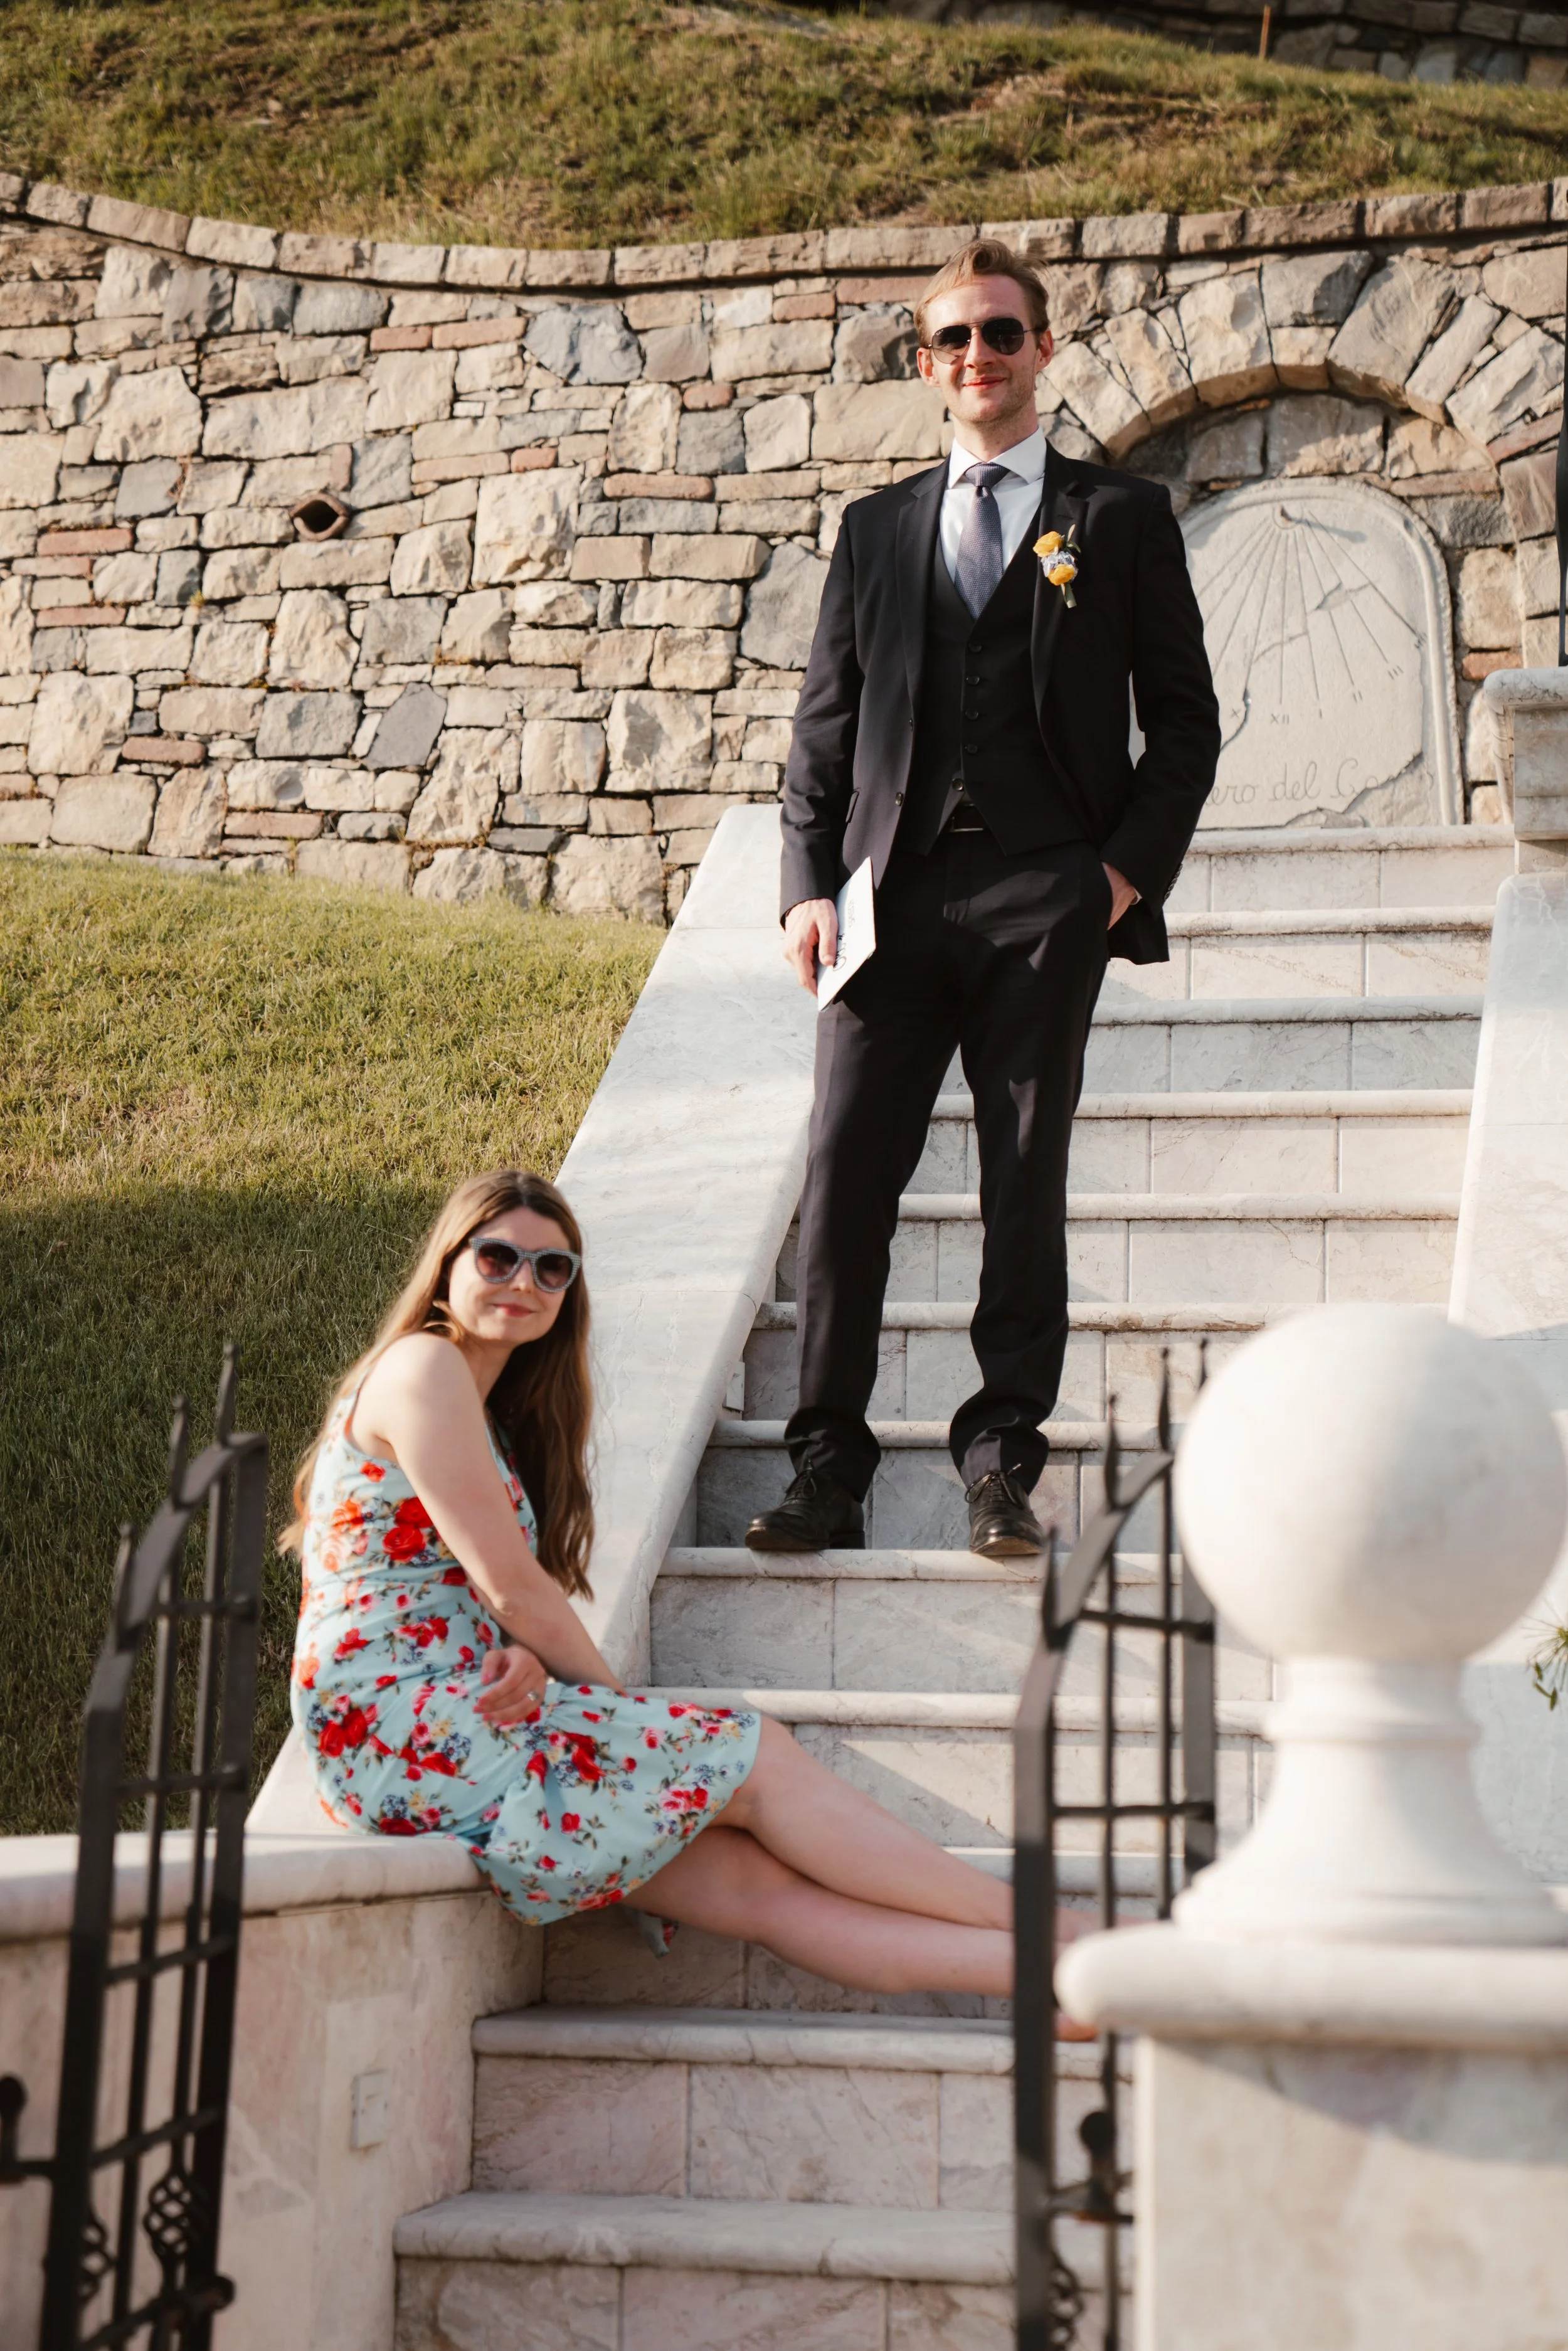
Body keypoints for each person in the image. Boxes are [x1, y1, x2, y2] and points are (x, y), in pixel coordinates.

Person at [747, 238, 1221, 1564]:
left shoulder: (1116, 518)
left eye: (999, 334)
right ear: (924, 363)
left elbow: (1182, 728)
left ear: (1040, 351)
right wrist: (802, 889)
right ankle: (824, 1472)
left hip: (1042, 897)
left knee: (1024, 1178)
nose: (977, 357)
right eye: (952, 338)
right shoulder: (876, 527)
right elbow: (821, 735)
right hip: (883, 897)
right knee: (844, 1176)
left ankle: (1000, 1463)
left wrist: (1114, 878)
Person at [283, 1168, 1015, 1997]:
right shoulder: (424, 1367)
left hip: (427, 1717)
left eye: (551, 1269)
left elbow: (439, 1592)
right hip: (390, 1726)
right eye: (498, 1258)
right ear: (449, 1261)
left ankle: (1053, 1978)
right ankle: (1041, 1927)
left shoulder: (483, 1408)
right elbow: (512, 1588)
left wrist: (524, 1663)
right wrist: (610, 1707)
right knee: (756, 1755)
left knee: (751, 1888)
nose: (524, 1281)